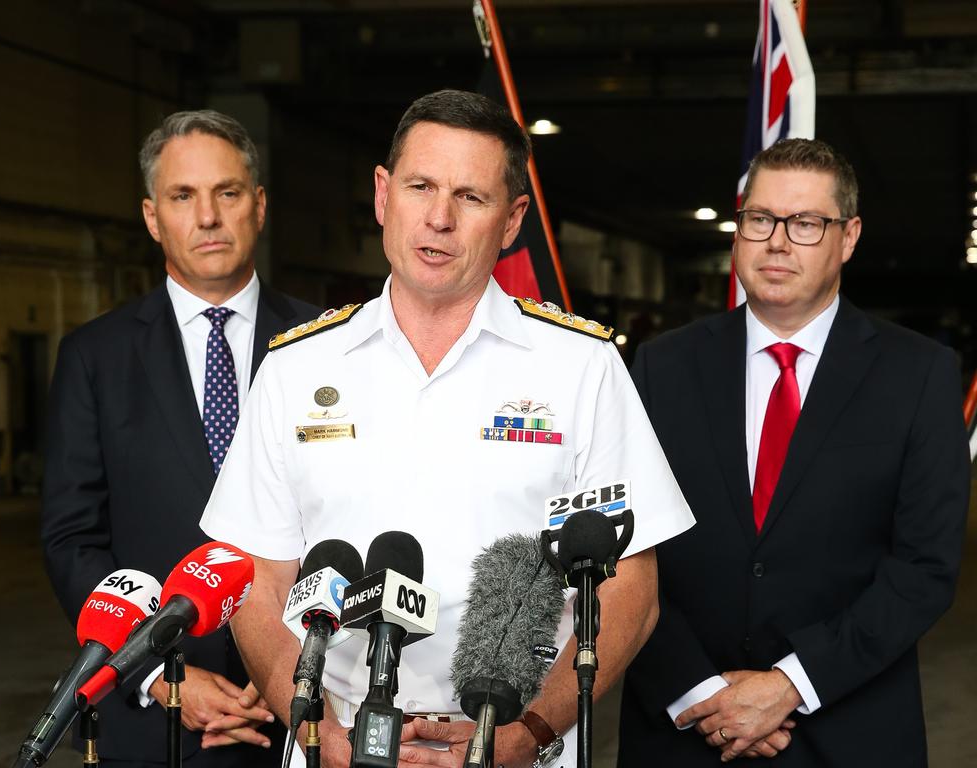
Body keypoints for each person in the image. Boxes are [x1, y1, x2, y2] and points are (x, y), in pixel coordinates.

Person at [199, 89, 695, 768]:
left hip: (522, 748)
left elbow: (630, 586)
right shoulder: (295, 367)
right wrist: (320, 733)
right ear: (382, 194)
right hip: (334, 747)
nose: (438, 218)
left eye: (470, 196)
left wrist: (530, 735)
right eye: (420, 186)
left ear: (513, 218)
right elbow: (256, 578)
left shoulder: (582, 367)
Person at [617, 138, 970, 766]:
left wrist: (789, 686)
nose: (777, 241)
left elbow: (925, 568)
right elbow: (626, 546)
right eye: (760, 219)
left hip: (848, 729)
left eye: (806, 223)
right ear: (739, 229)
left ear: (849, 236)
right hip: (685, 728)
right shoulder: (660, 367)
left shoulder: (919, 375)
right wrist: (701, 694)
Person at [41, 109, 319, 767]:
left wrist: (290, 670)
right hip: (154, 724)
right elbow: (72, 537)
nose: (208, 216)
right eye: (182, 196)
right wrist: (157, 672)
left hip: (306, 714)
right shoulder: (94, 357)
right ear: (151, 216)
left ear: (258, 206)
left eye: (226, 193)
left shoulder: (329, 345)